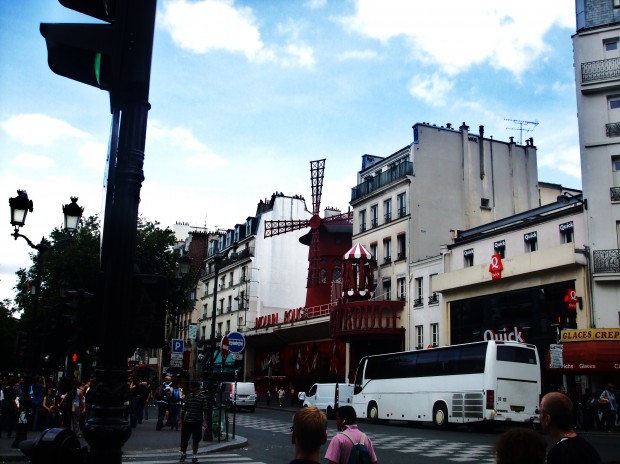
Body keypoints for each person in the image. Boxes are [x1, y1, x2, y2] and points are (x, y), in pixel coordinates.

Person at [539, 391, 602, 464]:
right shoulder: (589, 449)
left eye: (540, 412)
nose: (539, 416)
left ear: (547, 418)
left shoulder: (558, 453)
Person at [179, 381, 208, 463]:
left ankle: (194, 455)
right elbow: (184, 409)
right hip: (187, 421)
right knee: (184, 439)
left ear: (196, 388)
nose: (190, 388)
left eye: (191, 387)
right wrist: (181, 420)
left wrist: (205, 422)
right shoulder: (189, 396)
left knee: (196, 440)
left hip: (197, 422)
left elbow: (205, 410)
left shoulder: (202, 398)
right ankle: (183, 453)